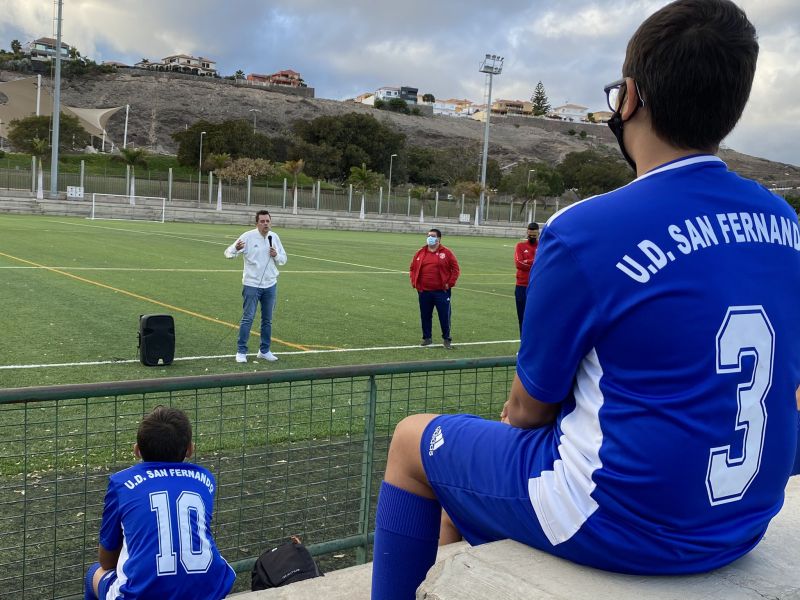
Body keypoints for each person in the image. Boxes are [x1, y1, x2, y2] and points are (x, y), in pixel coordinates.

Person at [371, 1, 800, 598]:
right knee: (469, 479)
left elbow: (529, 411)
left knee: (412, 441)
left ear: (630, 98)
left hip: (619, 523)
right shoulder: (783, 221)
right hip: (741, 522)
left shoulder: (586, 228)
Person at [85, 406, 235, 600]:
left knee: (94, 573)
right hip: (209, 591)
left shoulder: (121, 482)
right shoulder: (205, 479)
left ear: (137, 450)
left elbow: (106, 561)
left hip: (140, 595)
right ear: (190, 449)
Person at [224, 210, 287, 363]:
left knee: (267, 320)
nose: (266, 224)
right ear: (257, 223)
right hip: (251, 285)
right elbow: (228, 253)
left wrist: (276, 255)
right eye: (262, 221)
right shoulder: (247, 236)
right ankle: (241, 351)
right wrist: (236, 249)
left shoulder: (274, 237)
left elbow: (283, 259)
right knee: (248, 318)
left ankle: (264, 350)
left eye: (268, 221)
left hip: (270, 284)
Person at [409, 228, 460, 349]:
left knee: (444, 315)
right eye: (428, 236)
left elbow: (455, 269)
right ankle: (427, 338)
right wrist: (415, 282)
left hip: (441, 291)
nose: (429, 238)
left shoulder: (446, 252)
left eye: (432, 236)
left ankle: (446, 339)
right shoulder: (420, 252)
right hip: (424, 291)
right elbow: (412, 268)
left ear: (439, 238)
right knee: (425, 315)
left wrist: (449, 283)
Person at [514, 222, 539, 333]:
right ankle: (523, 346)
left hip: (538, 286)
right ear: (527, 233)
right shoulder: (520, 246)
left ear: (538, 233)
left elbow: (545, 262)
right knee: (522, 318)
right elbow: (519, 263)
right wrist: (536, 262)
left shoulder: (543, 246)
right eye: (530, 235)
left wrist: (527, 262)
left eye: (534, 235)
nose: (532, 237)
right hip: (522, 286)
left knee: (537, 317)